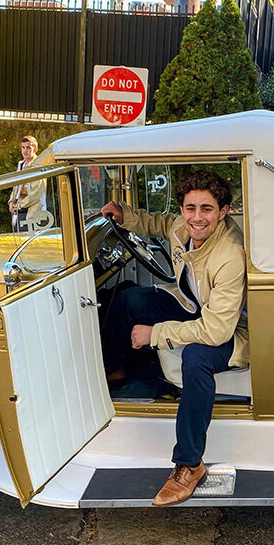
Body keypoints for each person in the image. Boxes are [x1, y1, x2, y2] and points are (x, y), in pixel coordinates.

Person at [100, 170, 248, 506]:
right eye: (190, 207)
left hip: (233, 328)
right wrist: (126, 216)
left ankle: (189, 464)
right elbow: (159, 223)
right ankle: (114, 371)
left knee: (196, 358)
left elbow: (216, 330)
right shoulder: (183, 227)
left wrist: (156, 334)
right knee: (127, 299)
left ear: (223, 212)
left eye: (207, 209)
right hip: (193, 304)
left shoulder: (230, 254)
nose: (197, 218)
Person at [8, 136, 47, 232]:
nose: (25, 151)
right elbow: (15, 187)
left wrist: (19, 205)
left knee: (30, 243)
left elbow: (36, 194)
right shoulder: (21, 164)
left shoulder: (39, 165)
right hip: (19, 210)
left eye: (28, 147)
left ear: (35, 149)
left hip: (33, 210)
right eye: (23, 147)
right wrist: (11, 202)